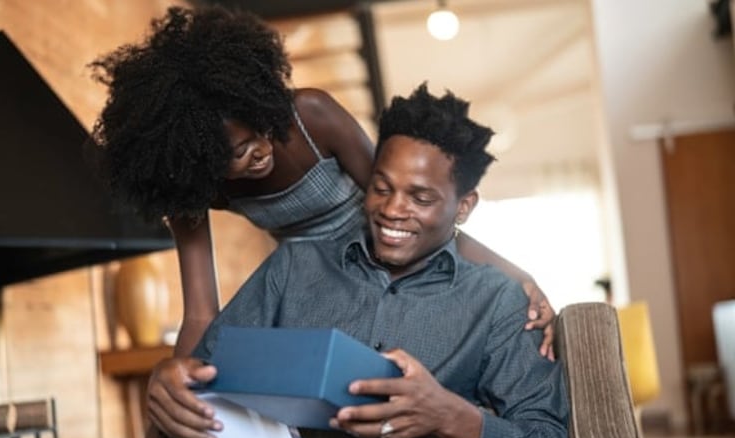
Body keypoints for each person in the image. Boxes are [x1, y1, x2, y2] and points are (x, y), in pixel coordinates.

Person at [89, 5, 555, 359]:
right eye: (240, 152)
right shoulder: (195, 189)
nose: (263, 150)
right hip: (315, 282)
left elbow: (409, 214)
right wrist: (174, 397)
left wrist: (519, 276)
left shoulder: (311, 116)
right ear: (198, 162)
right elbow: (200, 314)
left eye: (262, 130)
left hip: (390, 258)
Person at [145, 84, 569, 438]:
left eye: (421, 199)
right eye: (381, 188)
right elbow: (206, 368)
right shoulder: (295, 266)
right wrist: (170, 380)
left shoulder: (497, 304)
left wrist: (450, 415)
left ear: (464, 207)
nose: (392, 211)